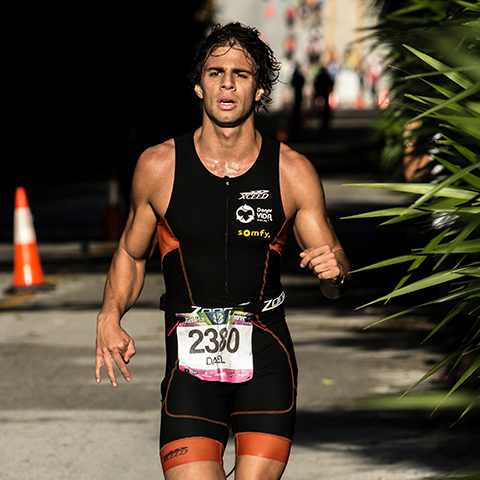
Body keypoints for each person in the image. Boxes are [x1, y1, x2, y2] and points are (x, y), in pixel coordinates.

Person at [95, 22, 351, 480]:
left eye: (241, 74)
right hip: (189, 366)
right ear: (199, 85)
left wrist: (335, 274)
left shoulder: (292, 172)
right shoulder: (158, 166)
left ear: (259, 89)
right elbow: (132, 254)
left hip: (266, 355)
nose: (227, 83)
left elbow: (334, 271)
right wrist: (109, 315)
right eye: (215, 73)